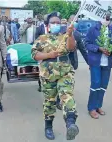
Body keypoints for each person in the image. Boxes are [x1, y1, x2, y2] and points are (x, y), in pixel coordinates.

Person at [31, 12, 79, 140]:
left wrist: (70, 34)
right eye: (53, 23)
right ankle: (48, 127)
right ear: (48, 25)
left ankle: (71, 124)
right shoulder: (41, 39)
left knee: (67, 95)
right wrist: (48, 55)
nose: (56, 25)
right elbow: (34, 55)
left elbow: (71, 48)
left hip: (65, 72)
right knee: (50, 102)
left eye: (59, 23)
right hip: (48, 74)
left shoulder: (65, 36)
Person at [85, 12, 112, 119]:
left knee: (103, 85)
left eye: (108, 18)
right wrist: (98, 48)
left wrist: (111, 50)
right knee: (96, 84)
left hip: (107, 63)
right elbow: (87, 44)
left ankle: (98, 106)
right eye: (104, 18)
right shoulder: (93, 29)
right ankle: (92, 108)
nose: (106, 20)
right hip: (95, 62)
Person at [56, 14, 89, 110]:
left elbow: (83, 49)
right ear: (69, 21)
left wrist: (89, 62)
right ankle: (59, 100)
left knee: (68, 82)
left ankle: (65, 99)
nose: (75, 22)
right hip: (60, 62)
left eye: (76, 20)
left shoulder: (77, 34)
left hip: (71, 62)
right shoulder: (60, 32)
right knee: (59, 81)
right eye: (73, 20)